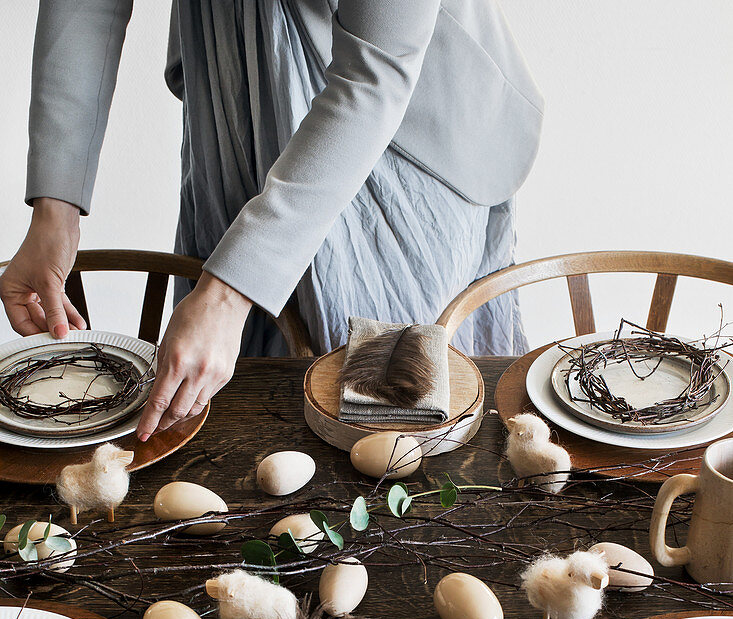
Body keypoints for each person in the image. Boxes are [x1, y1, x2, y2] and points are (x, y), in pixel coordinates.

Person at [0, 1, 543, 440]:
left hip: (401, 146)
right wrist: (56, 211)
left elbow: (374, 76)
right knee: (237, 409)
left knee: (386, 426)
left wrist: (225, 294)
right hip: (234, 95)